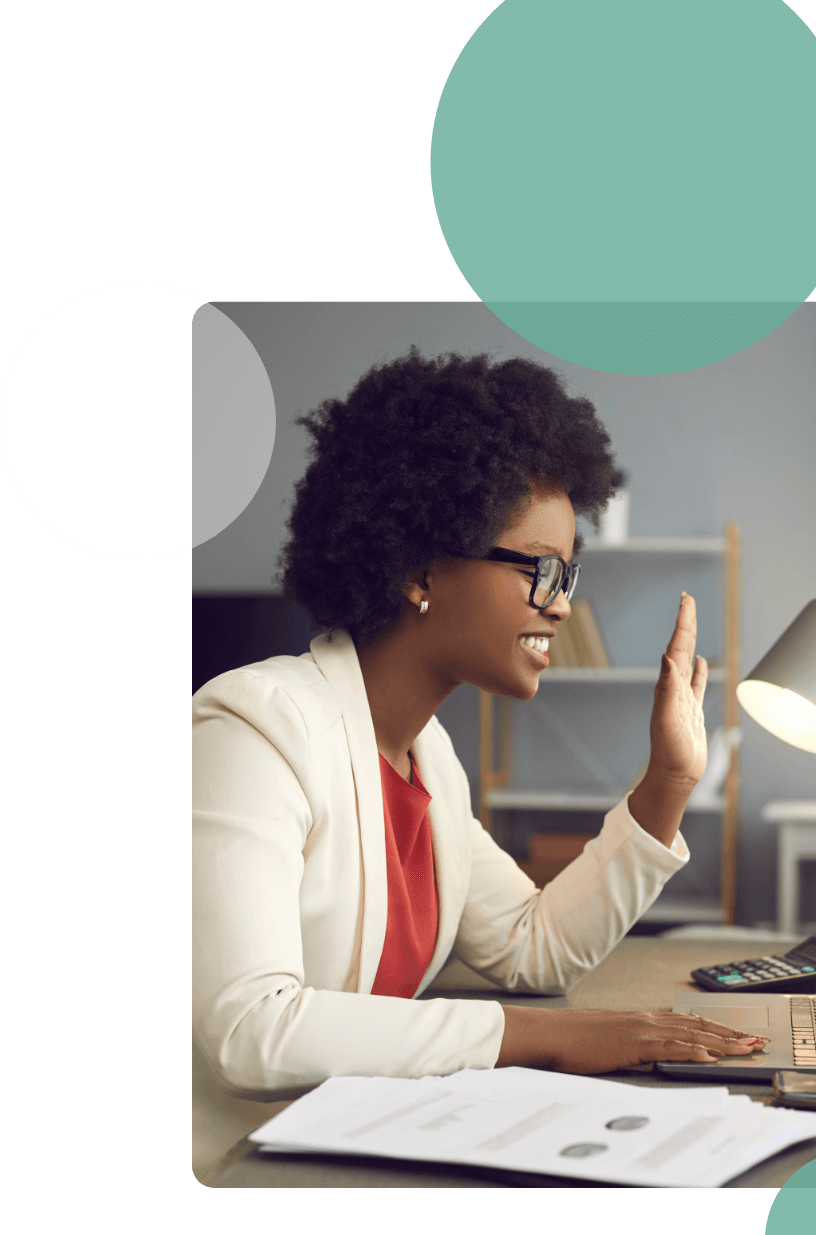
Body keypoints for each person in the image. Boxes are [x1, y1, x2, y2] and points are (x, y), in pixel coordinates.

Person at [192, 346, 767, 1182]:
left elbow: (533, 950)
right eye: (538, 569)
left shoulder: (430, 762)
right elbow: (252, 1030)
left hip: (357, 1148)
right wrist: (540, 1037)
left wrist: (667, 782)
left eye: (568, 572)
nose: (561, 603)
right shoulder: (253, 729)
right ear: (423, 571)